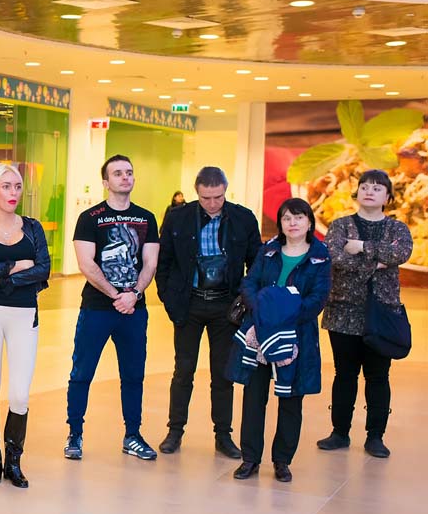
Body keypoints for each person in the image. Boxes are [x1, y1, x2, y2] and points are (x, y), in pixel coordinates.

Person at [155, 166, 261, 459]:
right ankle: (175, 431)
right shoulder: (178, 217)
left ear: (225, 191)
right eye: (206, 198)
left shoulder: (243, 218)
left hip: (225, 307)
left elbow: (256, 264)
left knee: (223, 374)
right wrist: (168, 297)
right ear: (196, 193)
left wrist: (245, 300)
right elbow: (164, 262)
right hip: (188, 304)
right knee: (183, 371)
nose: (213, 204)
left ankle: (223, 435)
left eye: (218, 197)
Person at [65, 154, 160, 461]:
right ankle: (75, 434)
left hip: (134, 310)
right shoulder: (90, 218)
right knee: (82, 372)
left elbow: (150, 263)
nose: (125, 177)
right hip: (96, 308)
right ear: (106, 182)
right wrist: (116, 295)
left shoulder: (146, 218)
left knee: (133, 375)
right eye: (117, 173)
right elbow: (86, 264)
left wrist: (134, 294)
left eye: (129, 172)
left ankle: (133, 435)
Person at [228, 198, 330, 482]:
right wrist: (262, 313)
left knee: (291, 400)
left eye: (298, 217)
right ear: (281, 223)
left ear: (309, 222)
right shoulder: (269, 250)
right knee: (253, 398)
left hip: (296, 335)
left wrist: (282, 318)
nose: (292, 223)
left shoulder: (320, 256)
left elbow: (317, 299)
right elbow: (250, 283)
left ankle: (282, 461)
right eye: (286, 218)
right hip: (259, 333)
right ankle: (250, 459)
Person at [317, 170, 413, 458]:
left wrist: (361, 247)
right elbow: (336, 258)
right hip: (343, 312)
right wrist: (378, 261)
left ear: (388, 197)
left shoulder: (397, 229)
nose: (370, 191)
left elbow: (401, 253)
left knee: (378, 376)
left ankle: (375, 436)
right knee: (344, 374)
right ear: (357, 193)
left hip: (382, 314)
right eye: (364, 187)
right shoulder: (339, 225)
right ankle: (339, 432)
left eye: (377, 188)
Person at [0, 162, 51, 487]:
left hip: (24, 313)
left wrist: (2, 277)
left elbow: (43, 269)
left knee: (19, 394)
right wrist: (18, 265)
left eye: (17, 186)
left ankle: (14, 461)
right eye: (6, 186)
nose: (13, 192)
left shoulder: (33, 228)